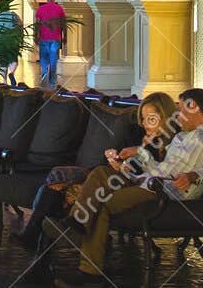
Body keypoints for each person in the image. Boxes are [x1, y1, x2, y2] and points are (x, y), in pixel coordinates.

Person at [54, 88, 203, 288]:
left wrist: (194, 175)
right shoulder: (181, 137)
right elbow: (160, 168)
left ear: (195, 107)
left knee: (101, 204)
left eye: (182, 109)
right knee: (101, 173)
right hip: (150, 181)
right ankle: (76, 223)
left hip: (164, 191)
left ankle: (90, 272)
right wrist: (129, 162)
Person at [15, 91, 176, 259]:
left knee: (62, 190)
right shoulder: (144, 136)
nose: (145, 124)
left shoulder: (176, 142)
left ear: (165, 117)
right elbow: (131, 165)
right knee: (58, 184)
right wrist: (116, 159)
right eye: (143, 119)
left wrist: (129, 161)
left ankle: (38, 244)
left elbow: (151, 175)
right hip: (109, 176)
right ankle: (39, 247)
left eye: (151, 118)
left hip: (124, 185)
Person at [34, 0, 67, 87]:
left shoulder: (41, 9)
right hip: (55, 38)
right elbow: (63, 23)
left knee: (43, 57)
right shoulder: (59, 8)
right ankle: (52, 81)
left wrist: (35, 36)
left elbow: (37, 24)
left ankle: (44, 73)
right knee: (53, 59)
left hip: (43, 37)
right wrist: (65, 36)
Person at [0, 0, 21, 86]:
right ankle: (11, 73)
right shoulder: (13, 15)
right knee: (13, 59)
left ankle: (4, 81)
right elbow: (20, 24)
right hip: (11, 40)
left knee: (2, 61)